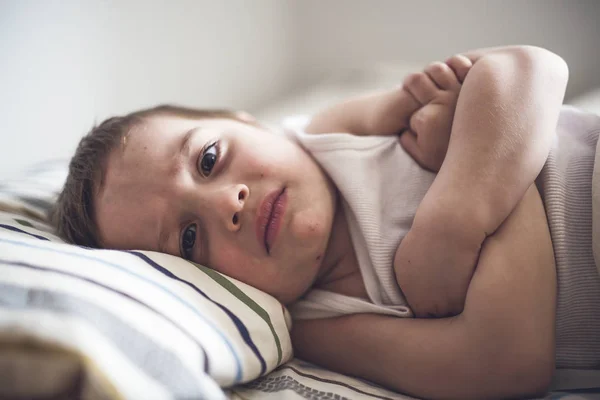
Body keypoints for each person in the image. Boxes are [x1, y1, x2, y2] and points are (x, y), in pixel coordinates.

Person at [51, 45, 600, 399]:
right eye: (189, 239)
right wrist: (476, 172)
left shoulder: (335, 133)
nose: (228, 204)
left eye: (210, 159)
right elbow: (504, 363)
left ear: (246, 121)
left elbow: (531, 67)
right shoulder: (321, 328)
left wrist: (459, 205)